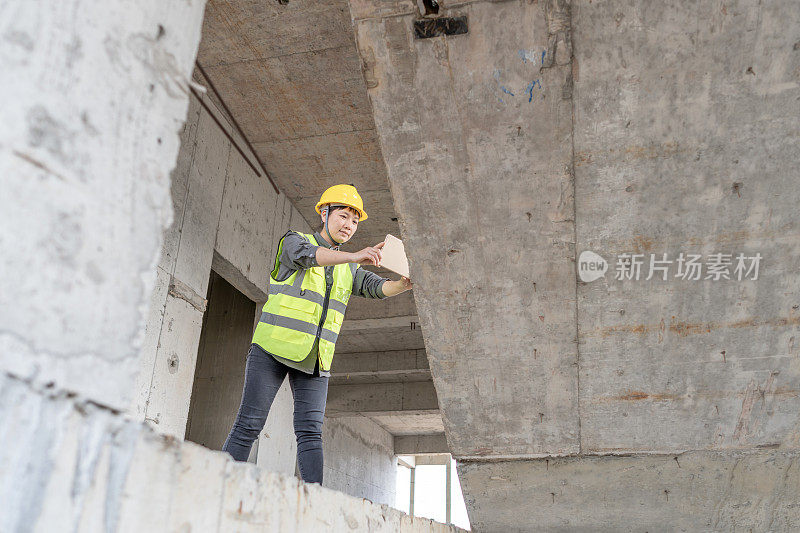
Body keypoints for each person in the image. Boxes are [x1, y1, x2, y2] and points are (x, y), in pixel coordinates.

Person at [221, 184, 412, 484]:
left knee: (310, 434)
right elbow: (312, 256)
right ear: (324, 213)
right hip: (271, 351)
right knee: (249, 425)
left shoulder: (349, 269)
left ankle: (314, 504)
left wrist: (403, 284)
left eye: (354, 220)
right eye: (343, 216)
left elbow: (377, 287)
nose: (349, 225)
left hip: (315, 360)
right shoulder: (294, 242)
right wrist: (353, 256)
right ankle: (219, 486)